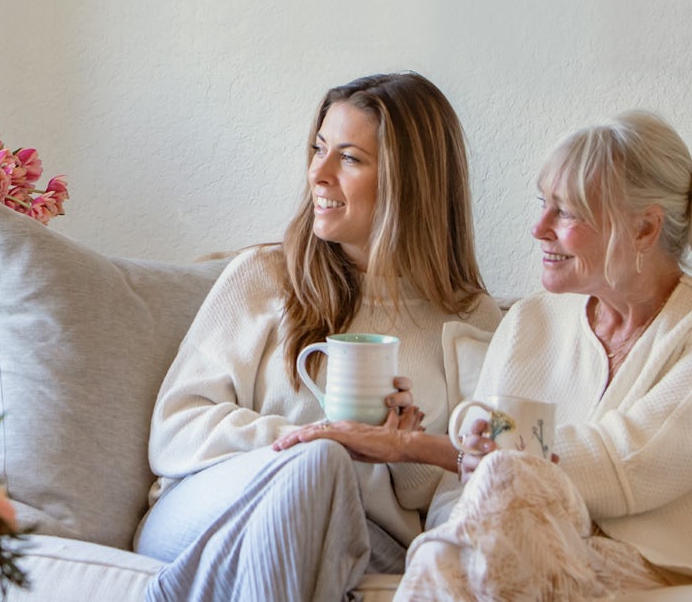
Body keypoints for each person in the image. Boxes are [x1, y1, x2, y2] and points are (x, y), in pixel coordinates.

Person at [137, 72, 504, 602]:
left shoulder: (471, 317)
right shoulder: (264, 275)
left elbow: (458, 491)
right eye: (318, 149)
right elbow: (175, 430)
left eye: (350, 158)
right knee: (321, 464)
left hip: (365, 536)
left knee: (326, 476)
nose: (319, 173)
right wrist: (318, 442)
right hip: (211, 507)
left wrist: (400, 448)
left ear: (410, 183)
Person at [359, 110, 692, 599]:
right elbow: (466, 490)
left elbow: (631, 462)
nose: (539, 227)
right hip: (508, 548)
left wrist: (424, 449)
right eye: (543, 204)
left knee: (502, 484)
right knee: (450, 546)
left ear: (644, 229)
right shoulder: (529, 323)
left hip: (637, 564)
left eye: (567, 211)